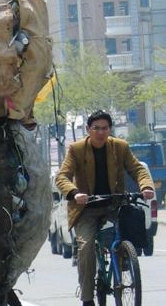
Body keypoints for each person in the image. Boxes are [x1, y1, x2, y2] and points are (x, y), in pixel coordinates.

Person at [56, 110, 155, 306]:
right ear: (88, 130)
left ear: (110, 129)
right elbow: (62, 177)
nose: (101, 132)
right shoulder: (76, 149)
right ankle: (87, 298)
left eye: (105, 128)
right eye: (96, 128)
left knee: (130, 229)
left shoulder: (120, 147)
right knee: (86, 248)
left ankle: (125, 257)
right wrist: (75, 193)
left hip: (114, 205)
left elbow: (137, 169)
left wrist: (146, 186)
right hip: (87, 209)